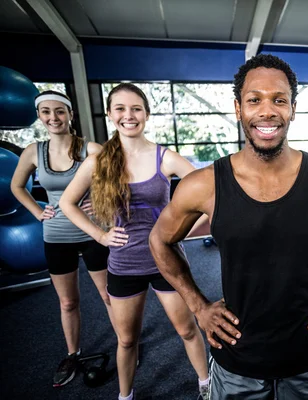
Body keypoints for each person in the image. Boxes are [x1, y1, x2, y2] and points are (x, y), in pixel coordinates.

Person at [148, 54, 308, 400]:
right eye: (254, 99)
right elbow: (159, 241)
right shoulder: (205, 184)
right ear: (238, 108)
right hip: (237, 359)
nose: (267, 111)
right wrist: (198, 306)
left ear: (293, 108)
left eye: (279, 100)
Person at [59, 83, 210, 400]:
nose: (129, 115)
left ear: (146, 114)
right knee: (126, 340)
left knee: (186, 329)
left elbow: (209, 193)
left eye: (136, 108)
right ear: (111, 114)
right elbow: (67, 203)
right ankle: (125, 396)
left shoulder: (164, 157)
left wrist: (180, 231)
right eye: (121, 108)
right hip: (124, 264)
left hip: (168, 262)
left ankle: (206, 385)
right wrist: (100, 235)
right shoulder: (98, 162)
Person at [10, 90, 115, 387]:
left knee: (109, 295)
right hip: (56, 234)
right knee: (68, 302)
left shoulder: (91, 149)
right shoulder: (34, 151)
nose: (53, 117)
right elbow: (18, 187)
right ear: (39, 116)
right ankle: (73, 353)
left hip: (93, 231)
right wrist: (37, 212)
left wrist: (102, 200)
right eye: (46, 112)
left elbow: (119, 180)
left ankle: (126, 344)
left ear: (70, 114)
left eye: (59, 111)